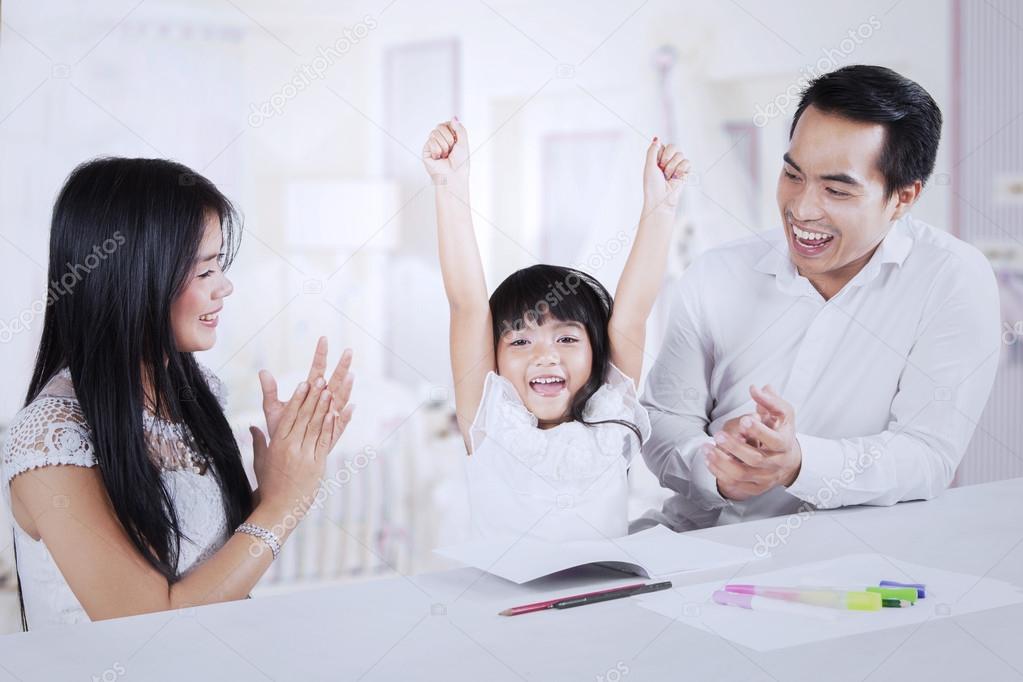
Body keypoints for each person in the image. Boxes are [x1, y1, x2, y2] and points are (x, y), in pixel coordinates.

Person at [639, 65, 1001, 532]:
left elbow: (928, 455)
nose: (802, 209)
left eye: (835, 189)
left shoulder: (952, 278)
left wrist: (799, 463)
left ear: (903, 197)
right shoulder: (718, 272)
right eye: (793, 175)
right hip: (696, 543)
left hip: (853, 565)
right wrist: (717, 467)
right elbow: (664, 420)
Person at [1, 157, 355, 630]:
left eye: (221, 266)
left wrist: (281, 480)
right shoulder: (50, 441)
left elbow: (208, 566)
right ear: (134, 277)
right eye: (205, 271)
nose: (225, 287)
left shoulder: (194, 392)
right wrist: (282, 505)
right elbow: (148, 624)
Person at [422, 119, 689, 541]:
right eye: (521, 341)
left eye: (566, 338)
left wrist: (661, 207)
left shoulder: (611, 417)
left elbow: (633, 312)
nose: (545, 355)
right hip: (507, 604)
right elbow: (467, 305)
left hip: (599, 600)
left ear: (597, 353)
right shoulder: (489, 421)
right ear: (494, 357)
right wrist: (450, 185)